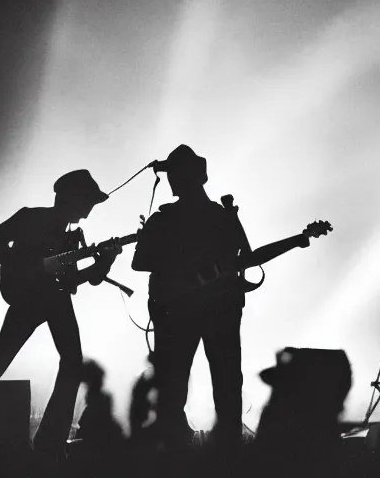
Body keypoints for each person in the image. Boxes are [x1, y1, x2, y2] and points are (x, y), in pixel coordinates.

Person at [131, 144, 313, 452]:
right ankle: (215, 451)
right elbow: (140, 262)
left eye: (174, 174)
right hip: (200, 309)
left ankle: (200, 450)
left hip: (200, 310)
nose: (171, 181)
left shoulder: (215, 216)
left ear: (188, 177)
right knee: (208, 382)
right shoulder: (190, 217)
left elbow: (246, 259)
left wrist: (297, 240)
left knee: (207, 382)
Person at [0, 169, 122, 463]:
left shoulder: (71, 237)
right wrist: (27, 265)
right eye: (87, 201)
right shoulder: (30, 217)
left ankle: (50, 442)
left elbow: (74, 281)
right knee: (1, 357)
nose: (90, 209)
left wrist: (106, 262)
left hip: (54, 299)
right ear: (72, 198)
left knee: (69, 360)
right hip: (30, 299)